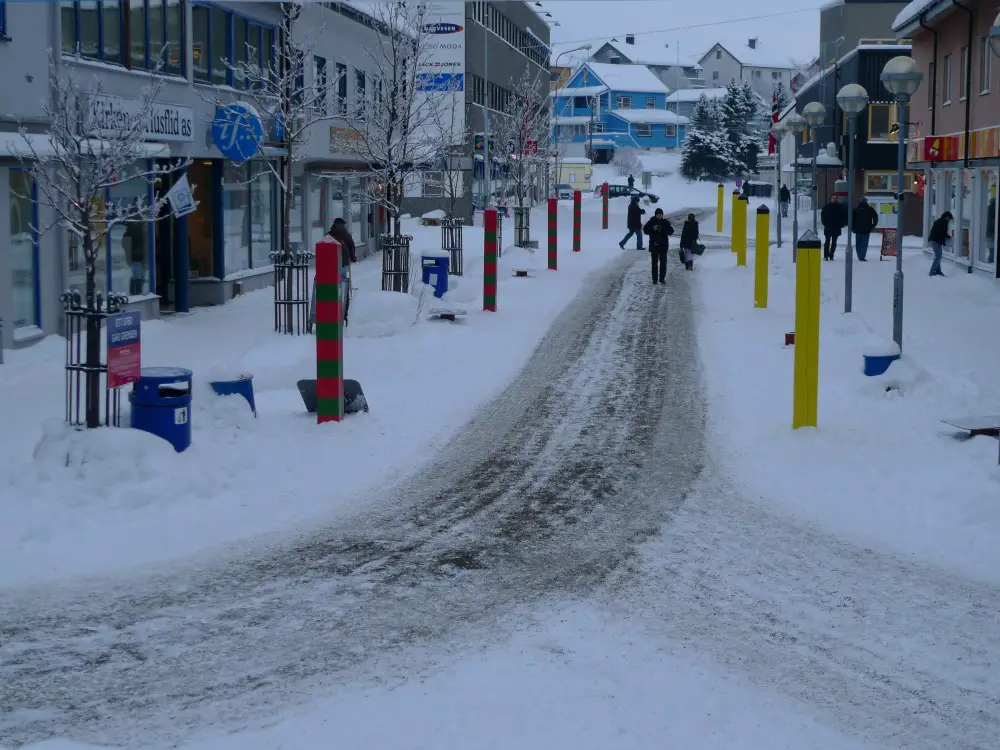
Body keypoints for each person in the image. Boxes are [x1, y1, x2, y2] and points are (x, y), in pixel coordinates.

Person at [328, 217, 358, 300]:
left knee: (333, 280)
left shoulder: (329, 234)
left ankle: (335, 298)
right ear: (343, 224)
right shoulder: (347, 235)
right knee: (344, 280)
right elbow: (352, 246)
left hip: (332, 263)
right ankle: (345, 299)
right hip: (344, 261)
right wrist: (353, 257)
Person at [643, 207, 674, 285]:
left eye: (661, 214)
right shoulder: (651, 221)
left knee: (663, 263)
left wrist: (664, 229)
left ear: (662, 215)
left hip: (663, 245)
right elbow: (645, 230)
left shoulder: (665, 222)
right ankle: (655, 279)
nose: (659, 216)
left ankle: (662, 279)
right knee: (654, 263)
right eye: (658, 214)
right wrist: (652, 228)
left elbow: (671, 231)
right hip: (654, 245)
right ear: (655, 215)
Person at [851, 196, 879, 261]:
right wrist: (873, 225)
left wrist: (852, 228)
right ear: (866, 202)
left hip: (857, 230)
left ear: (860, 201)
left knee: (858, 243)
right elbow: (875, 217)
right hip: (867, 230)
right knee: (864, 244)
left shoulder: (856, 209)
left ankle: (859, 255)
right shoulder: (870, 209)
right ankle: (862, 256)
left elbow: (852, 219)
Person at [820, 196, 848, 261]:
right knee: (827, 241)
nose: (834, 199)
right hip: (828, 227)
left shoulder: (840, 207)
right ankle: (826, 256)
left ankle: (831, 255)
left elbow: (844, 216)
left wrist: (842, 224)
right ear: (831, 199)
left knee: (834, 242)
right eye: (833, 198)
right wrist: (825, 223)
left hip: (836, 227)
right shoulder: (827, 206)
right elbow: (823, 216)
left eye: (836, 198)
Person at [927, 210, 953, 277]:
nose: (949, 220)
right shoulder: (944, 222)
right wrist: (947, 238)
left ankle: (938, 271)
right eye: (949, 219)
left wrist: (947, 237)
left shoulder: (938, 220)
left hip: (934, 240)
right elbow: (942, 233)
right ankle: (932, 272)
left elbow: (940, 232)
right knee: (938, 256)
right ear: (947, 217)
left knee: (939, 256)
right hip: (936, 241)